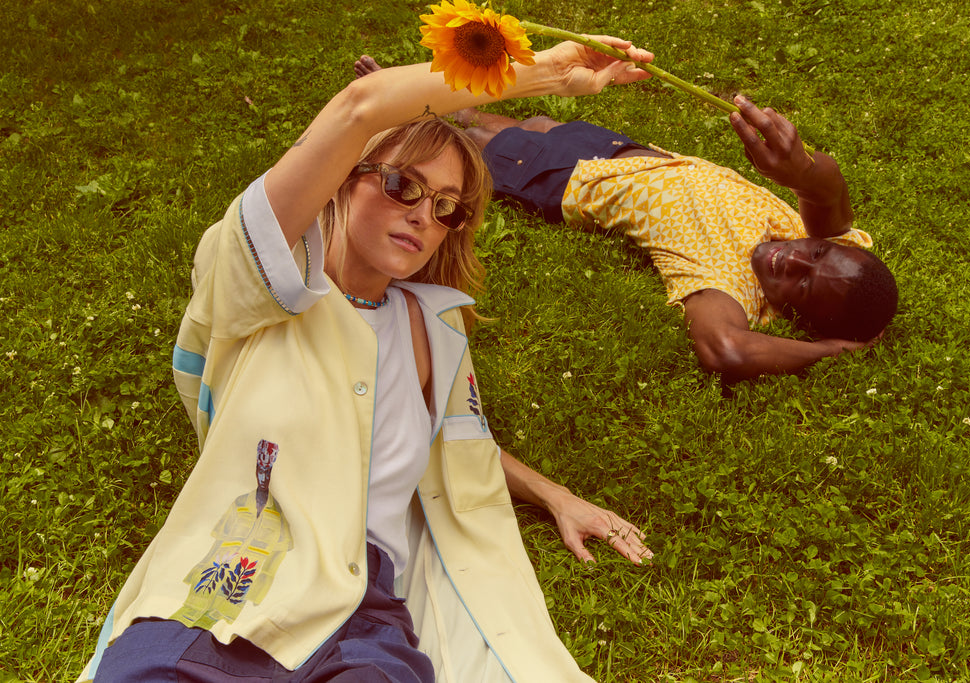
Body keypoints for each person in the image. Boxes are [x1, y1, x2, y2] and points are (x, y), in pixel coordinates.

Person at [79, 37, 655, 683]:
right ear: (342, 178)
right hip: (223, 587)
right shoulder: (257, 285)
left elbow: (447, 440)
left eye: (445, 207)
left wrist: (556, 494)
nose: (422, 215)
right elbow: (359, 107)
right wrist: (540, 74)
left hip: (363, 610)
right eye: (402, 184)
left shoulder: (432, 328)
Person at [402, 83, 898, 383]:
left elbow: (724, 349)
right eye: (813, 253)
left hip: (575, 182)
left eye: (802, 285)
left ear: (795, 315)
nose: (792, 259)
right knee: (535, 122)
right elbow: (830, 188)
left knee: (475, 146)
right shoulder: (829, 251)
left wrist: (831, 351)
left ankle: (404, 114)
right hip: (628, 153)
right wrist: (803, 171)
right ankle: (449, 108)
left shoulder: (731, 286)